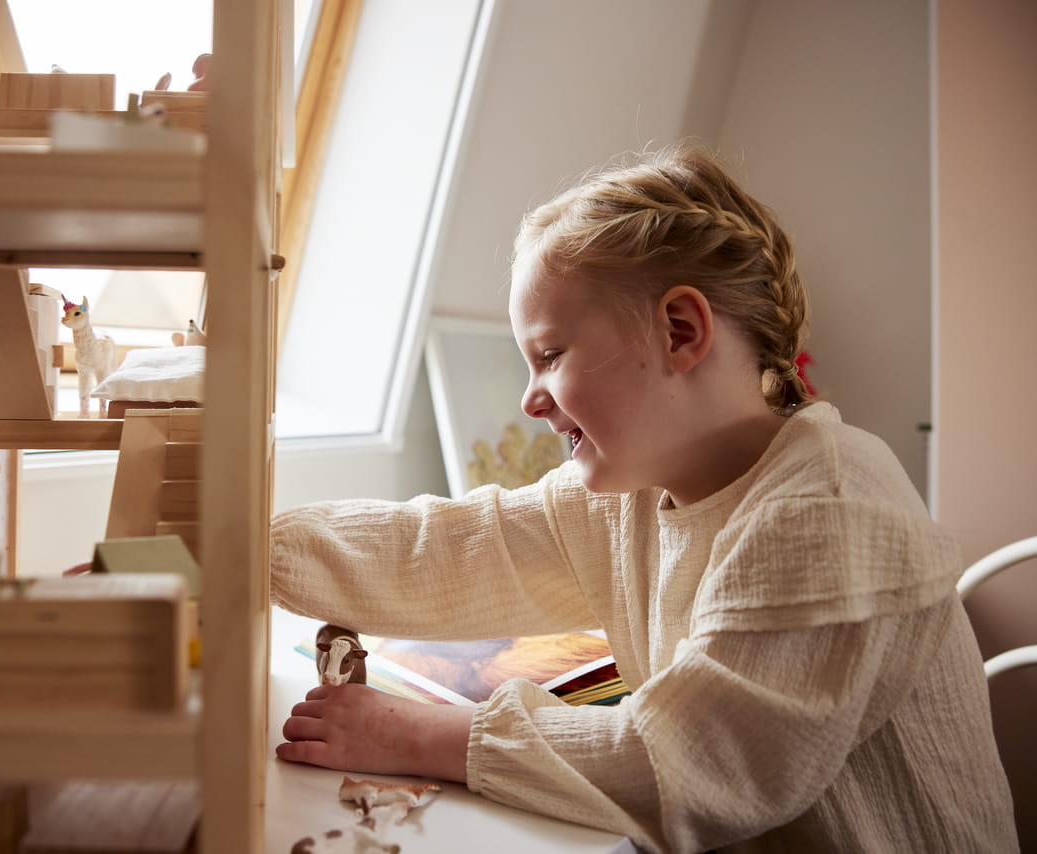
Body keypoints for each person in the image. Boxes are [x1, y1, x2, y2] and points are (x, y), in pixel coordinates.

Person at [271, 145, 1018, 853]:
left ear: (681, 331)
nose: (531, 400)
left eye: (551, 355)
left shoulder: (829, 507)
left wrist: (416, 737)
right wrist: (240, 546)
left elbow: (689, 766)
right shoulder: (634, 490)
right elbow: (446, 551)